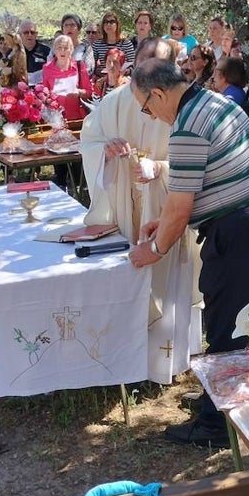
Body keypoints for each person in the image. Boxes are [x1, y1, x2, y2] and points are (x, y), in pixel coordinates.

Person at [126, 58, 249, 448]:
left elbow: (181, 206)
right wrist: (161, 221)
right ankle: (220, 397)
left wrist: (156, 248)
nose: (151, 115)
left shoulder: (187, 128)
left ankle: (216, 427)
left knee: (226, 324)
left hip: (239, 227)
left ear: (159, 93)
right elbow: (201, 185)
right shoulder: (217, 103)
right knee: (228, 316)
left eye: (146, 107)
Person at [80, 37, 202, 386]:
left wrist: (159, 168)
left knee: (169, 281)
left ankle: (168, 361)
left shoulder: (182, 106)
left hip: (167, 208)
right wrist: (105, 150)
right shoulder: (115, 101)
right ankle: (125, 360)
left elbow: (194, 164)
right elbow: (88, 143)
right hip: (126, 207)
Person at [41, 34, 94, 122]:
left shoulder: (79, 66)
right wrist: (49, 99)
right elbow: (44, 93)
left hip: (76, 117)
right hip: (55, 118)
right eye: (59, 48)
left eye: (66, 48)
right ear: (54, 50)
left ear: (71, 50)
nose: (63, 51)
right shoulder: (47, 68)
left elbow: (89, 92)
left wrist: (79, 92)